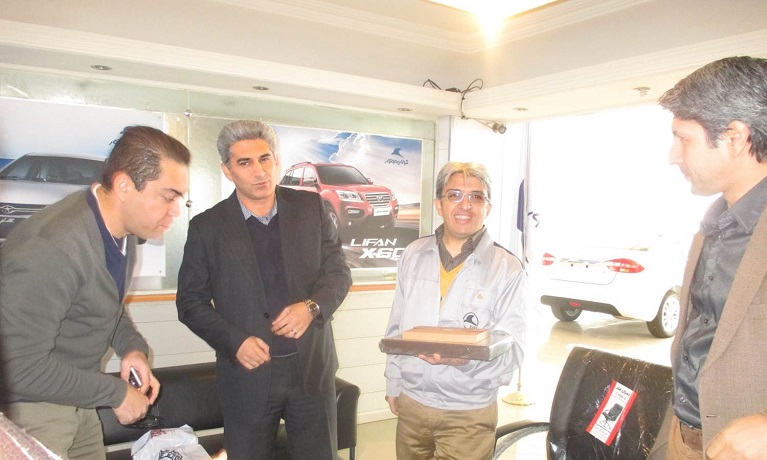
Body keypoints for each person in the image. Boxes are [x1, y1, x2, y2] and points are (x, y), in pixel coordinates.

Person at [0, 125, 191, 459]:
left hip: (78, 400)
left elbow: (103, 305)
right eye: (168, 196)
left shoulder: (121, 232)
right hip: (31, 411)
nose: (176, 210)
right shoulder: (51, 248)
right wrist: (116, 393)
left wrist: (132, 349)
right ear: (124, 185)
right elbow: (18, 369)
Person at [176, 120, 352, 460]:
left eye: (265, 159)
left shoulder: (311, 208)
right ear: (227, 171)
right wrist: (235, 342)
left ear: (276, 160)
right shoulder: (207, 227)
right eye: (245, 163)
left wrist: (311, 307)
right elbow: (189, 302)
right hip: (247, 376)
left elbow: (338, 273)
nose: (259, 171)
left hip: (310, 371)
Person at [649, 56, 767, 459]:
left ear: (734, 138)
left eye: (683, 138)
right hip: (684, 439)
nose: (673, 155)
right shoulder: (713, 224)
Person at [383, 161, 528, 460]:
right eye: (455, 195)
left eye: (476, 197)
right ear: (439, 204)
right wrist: (394, 382)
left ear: (488, 207)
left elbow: (514, 350)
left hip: (468, 414)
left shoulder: (507, 268)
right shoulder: (413, 255)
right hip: (412, 404)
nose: (466, 205)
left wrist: (465, 361)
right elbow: (397, 328)